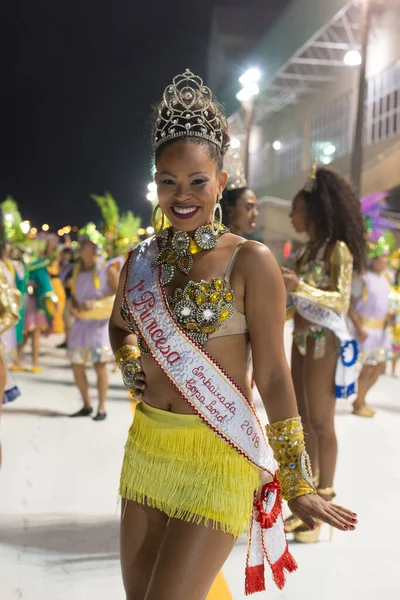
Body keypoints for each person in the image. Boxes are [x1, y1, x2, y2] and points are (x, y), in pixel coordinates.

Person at [109, 69, 357, 600]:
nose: (182, 195)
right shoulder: (142, 260)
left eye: (197, 181)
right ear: (155, 182)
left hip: (219, 453)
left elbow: (271, 373)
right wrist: (141, 380)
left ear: (220, 181)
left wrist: (296, 480)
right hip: (148, 448)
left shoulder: (252, 261)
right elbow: (120, 329)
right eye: (168, 180)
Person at [281, 166, 365, 543]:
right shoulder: (305, 251)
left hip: (323, 342)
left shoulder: (337, 251)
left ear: (313, 211)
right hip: (300, 340)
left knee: (320, 421)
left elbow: (341, 300)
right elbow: (293, 303)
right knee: (301, 422)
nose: (291, 216)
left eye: (296, 209)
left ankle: (325, 501)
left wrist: (300, 286)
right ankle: (307, 499)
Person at [68, 232, 120, 421]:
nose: (82, 246)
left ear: (94, 247)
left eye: (86, 243)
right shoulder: (77, 269)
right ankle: (86, 404)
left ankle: (101, 407)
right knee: (76, 363)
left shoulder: (107, 269)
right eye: (81, 243)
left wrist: (95, 304)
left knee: (99, 366)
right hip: (81, 323)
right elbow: (73, 295)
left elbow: (118, 295)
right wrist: (72, 306)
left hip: (99, 325)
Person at [349, 240, 392, 416]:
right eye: (382, 257)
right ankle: (359, 401)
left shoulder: (386, 279)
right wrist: (358, 327)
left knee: (380, 367)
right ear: (373, 259)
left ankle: (362, 398)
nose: (385, 261)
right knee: (368, 367)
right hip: (365, 330)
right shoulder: (363, 277)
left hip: (381, 331)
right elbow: (350, 306)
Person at [43, 234, 66, 334]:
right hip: (49, 281)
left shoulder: (57, 255)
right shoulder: (44, 256)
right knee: (50, 304)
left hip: (56, 282)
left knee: (60, 301)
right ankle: (50, 326)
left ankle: (57, 326)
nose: (53, 245)